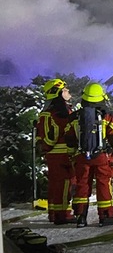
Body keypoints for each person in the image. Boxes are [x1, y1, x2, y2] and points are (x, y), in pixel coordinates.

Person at [65, 83, 113, 227]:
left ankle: (80, 217)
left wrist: (72, 154)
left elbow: (69, 138)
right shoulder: (107, 116)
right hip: (100, 156)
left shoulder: (74, 117)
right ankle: (106, 216)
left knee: (82, 184)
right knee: (103, 184)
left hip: (81, 156)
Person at [35, 78, 77, 224]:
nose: (68, 92)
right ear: (57, 93)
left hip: (54, 155)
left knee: (55, 184)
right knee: (64, 184)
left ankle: (54, 213)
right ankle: (63, 215)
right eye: (65, 90)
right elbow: (52, 135)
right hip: (62, 154)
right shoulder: (58, 113)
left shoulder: (49, 112)